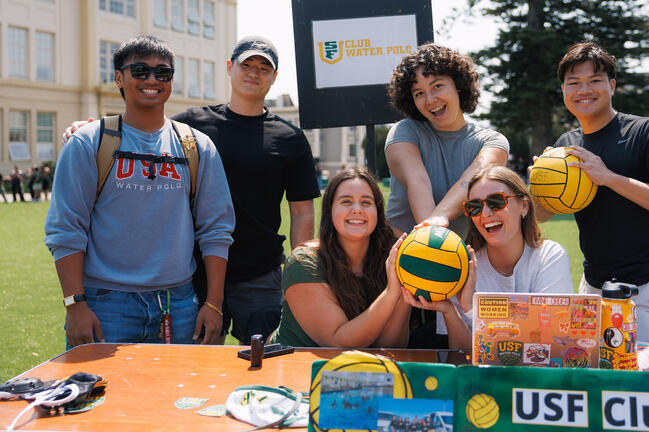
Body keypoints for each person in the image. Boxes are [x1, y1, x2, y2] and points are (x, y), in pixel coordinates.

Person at [64, 36, 320, 345]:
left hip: (259, 272)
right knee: (200, 363)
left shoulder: (288, 138)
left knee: (259, 359)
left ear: (274, 76)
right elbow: (143, 128)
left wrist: (300, 273)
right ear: (230, 68)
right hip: (194, 272)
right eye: (246, 64)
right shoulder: (193, 126)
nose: (254, 72)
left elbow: (302, 211)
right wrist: (87, 129)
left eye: (264, 67)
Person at [45, 35, 235, 348]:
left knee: (180, 397)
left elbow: (216, 228)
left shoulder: (197, 146)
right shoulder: (88, 142)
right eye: (140, 70)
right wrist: (75, 304)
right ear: (119, 77)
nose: (152, 79)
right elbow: (65, 229)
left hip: (180, 303)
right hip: (106, 304)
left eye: (163, 73)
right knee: (103, 397)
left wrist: (213, 303)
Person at [536, 41, 649, 343]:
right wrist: (539, 186)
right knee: (594, 378)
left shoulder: (647, 131)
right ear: (563, 91)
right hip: (593, 285)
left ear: (612, 85)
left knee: (645, 381)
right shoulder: (565, 146)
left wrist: (609, 177)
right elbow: (543, 215)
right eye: (574, 83)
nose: (584, 89)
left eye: (594, 80)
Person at [385, 43, 509, 347]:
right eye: (418, 93)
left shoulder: (492, 141)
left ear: (459, 86)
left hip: (455, 274)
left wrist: (440, 219)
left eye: (437, 85)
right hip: (396, 265)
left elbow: (474, 176)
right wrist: (430, 235)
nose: (430, 99)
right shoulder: (404, 131)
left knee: (454, 359)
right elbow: (417, 180)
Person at [402, 166, 573, 349]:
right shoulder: (458, 264)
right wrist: (450, 311)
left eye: (496, 202)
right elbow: (465, 357)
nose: (485, 214)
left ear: (524, 206)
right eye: (474, 207)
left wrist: (470, 308)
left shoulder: (550, 257)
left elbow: (551, 342)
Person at [270, 168, 411, 348]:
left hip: (360, 372)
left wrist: (402, 290)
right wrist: (391, 293)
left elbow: (391, 348)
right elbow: (339, 343)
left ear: (378, 212)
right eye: (346, 202)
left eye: (366, 202)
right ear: (330, 211)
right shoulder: (303, 263)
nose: (357, 210)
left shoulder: (390, 259)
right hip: (293, 367)